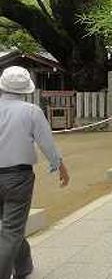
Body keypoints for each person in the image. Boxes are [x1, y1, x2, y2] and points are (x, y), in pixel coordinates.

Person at [0, 66, 70, 279]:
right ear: (26, 89)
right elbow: (46, 143)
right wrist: (61, 167)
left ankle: (24, 265)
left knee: (10, 225)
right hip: (18, 176)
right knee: (12, 229)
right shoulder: (31, 111)